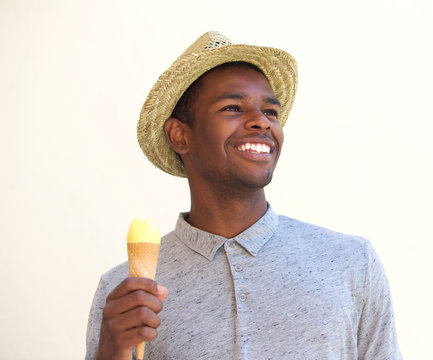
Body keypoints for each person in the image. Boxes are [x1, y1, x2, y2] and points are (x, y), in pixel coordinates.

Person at [86, 31, 402, 360]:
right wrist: (110, 354)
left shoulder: (351, 262)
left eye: (270, 112)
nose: (261, 123)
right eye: (234, 107)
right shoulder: (123, 293)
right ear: (180, 136)